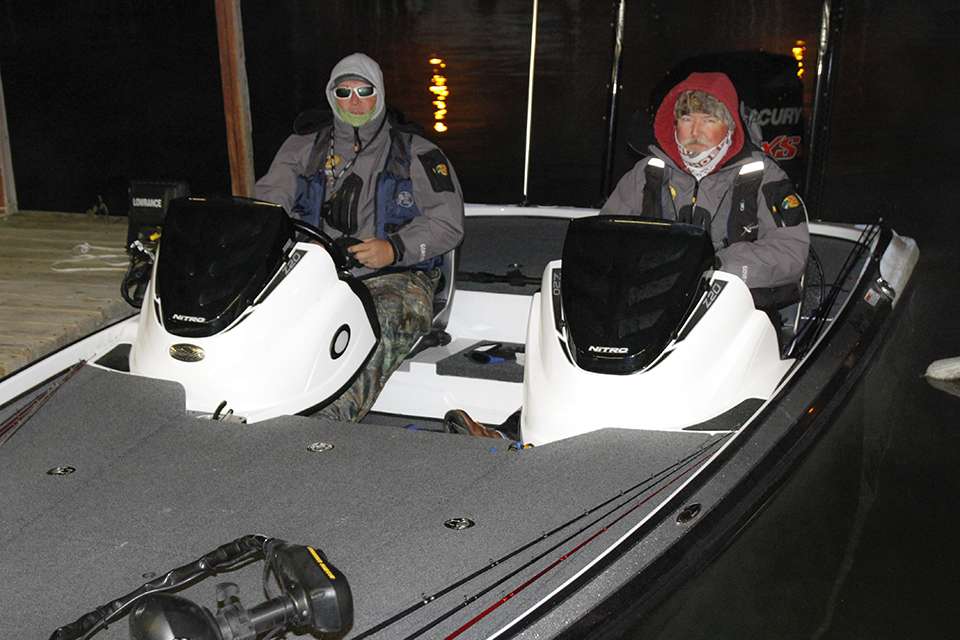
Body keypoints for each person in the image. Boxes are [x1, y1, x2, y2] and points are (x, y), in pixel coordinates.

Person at [255, 52, 465, 422]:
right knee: (259, 312)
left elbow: (448, 224)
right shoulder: (302, 147)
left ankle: (327, 423)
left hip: (399, 276)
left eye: (364, 91)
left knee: (376, 319)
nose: (354, 101)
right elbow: (268, 204)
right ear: (331, 96)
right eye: (344, 92)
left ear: (380, 94)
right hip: (316, 271)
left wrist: (394, 249)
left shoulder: (418, 152)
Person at [602, 71, 809, 300]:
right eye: (687, 118)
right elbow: (606, 238)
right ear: (674, 124)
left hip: (735, 306)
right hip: (653, 303)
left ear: (730, 126)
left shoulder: (763, 176)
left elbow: (791, 252)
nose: (695, 131)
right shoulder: (647, 172)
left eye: (709, 120)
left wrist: (718, 266)